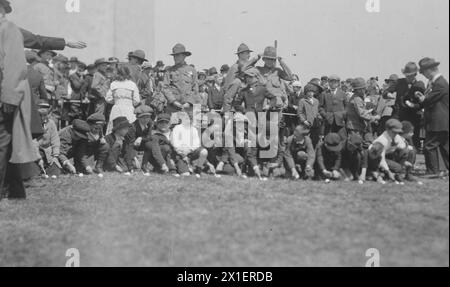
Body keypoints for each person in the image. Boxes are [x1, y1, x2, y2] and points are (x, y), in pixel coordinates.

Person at [0, 2, 40, 199]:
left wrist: (9, 97)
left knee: (3, 144)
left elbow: (14, 66)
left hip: (4, 98)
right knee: (6, 146)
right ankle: (16, 191)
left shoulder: (8, 29)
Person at [416, 58, 449, 177]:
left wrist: (422, 99)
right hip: (442, 122)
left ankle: (432, 171)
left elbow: (429, 100)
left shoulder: (439, 83)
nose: (423, 75)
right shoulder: (438, 82)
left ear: (429, 70)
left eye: (424, 72)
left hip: (438, 122)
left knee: (429, 146)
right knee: (445, 147)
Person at [171, 102, 208, 177]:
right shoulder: (177, 128)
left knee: (204, 151)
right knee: (185, 174)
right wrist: (182, 153)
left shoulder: (193, 129)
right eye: (187, 118)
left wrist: (189, 150)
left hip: (190, 152)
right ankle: (180, 167)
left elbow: (197, 143)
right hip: (179, 153)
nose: (189, 120)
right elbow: (174, 143)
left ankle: (198, 169)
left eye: (191, 118)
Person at [394, 62, 426, 150]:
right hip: (401, 116)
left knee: (413, 140)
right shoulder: (400, 82)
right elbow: (386, 92)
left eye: (410, 75)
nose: (407, 77)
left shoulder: (420, 85)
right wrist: (389, 94)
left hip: (414, 117)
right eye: (406, 75)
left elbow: (423, 103)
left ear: (415, 74)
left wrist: (413, 105)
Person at [162, 43, 200, 114]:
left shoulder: (192, 70)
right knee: (173, 125)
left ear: (184, 56)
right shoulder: (169, 71)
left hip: (189, 108)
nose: (175, 58)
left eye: (178, 55)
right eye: (174, 56)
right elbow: (165, 87)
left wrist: (189, 103)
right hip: (173, 108)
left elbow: (195, 88)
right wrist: (173, 101)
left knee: (190, 125)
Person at [222, 43, 260, 112]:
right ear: (240, 54)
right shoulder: (234, 68)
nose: (249, 55)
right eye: (247, 53)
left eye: (249, 53)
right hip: (234, 104)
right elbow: (227, 87)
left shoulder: (249, 68)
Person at [105, 65, 141, 134]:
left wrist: (116, 101)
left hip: (117, 108)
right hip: (128, 108)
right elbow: (137, 100)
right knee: (128, 126)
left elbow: (108, 98)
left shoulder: (114, 84)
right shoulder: (132, 84)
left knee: (115, 127)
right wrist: (130, 103)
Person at [256, 46, 293, 110]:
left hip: (275, 105)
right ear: (263, 59)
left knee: (274, 120)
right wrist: (256, 58)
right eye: (268, 59)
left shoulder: (277, 71)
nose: (270, 61)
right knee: (261, 120)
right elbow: (245, 69)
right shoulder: (258, 70)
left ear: (275, 60)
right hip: (262, 105)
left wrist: (281, 62)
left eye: (272, 59)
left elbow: (290, 77)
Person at [123, 105, 154, 173]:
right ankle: (130, 167)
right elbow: (130, 146)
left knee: (150, 145)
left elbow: (149, 137)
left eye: (148, 117)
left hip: (141, 144)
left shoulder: (150, 123)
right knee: (133, 164)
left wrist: (141, 138)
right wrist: (134, 158)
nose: (146, 119)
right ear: (138, 117)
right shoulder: (132, 127)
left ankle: (144, 165)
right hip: (130, 146)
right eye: (143, 117)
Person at [35, 100, 61, 177]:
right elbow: (33, 143)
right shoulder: (32, 124)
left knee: (55, 172)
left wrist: (55, 156)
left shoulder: (51, 123)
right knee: (35, 172)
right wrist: (39, 158)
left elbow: (55, 140)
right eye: (40, 115)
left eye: (45, 115)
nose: (43, 118)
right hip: (35, 153)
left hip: (47, 153)